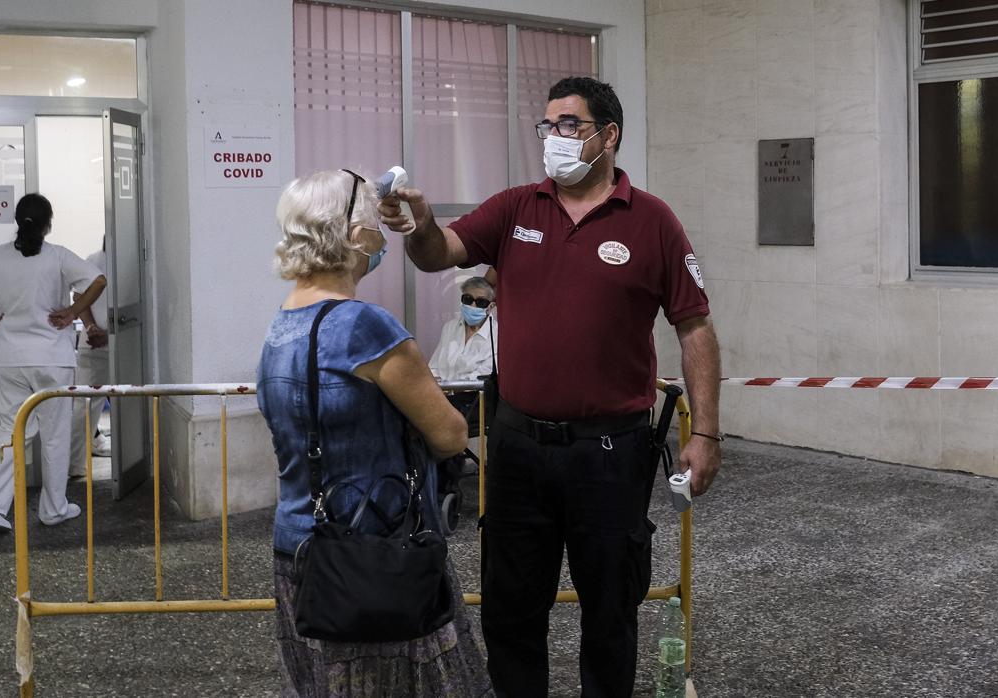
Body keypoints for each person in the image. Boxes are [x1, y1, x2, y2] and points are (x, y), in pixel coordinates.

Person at [379, 76, 723, 697]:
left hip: (611, 453)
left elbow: (695, 328)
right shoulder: (517, 207)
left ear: (608, 136)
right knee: (512, 612)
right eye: (548, 126)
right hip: (518, 451)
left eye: (570, 125)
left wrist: (705, 431)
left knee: (610, 612)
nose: (555, 137)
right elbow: (439, 254)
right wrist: (421, 225)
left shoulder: (652, 222)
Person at [257, 169, 493, 697]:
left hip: (300, 549)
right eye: (372, 214)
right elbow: (451, 434)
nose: (381, 231)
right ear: (351, 233)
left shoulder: (282, 324)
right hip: (377, 552)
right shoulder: (364, 326)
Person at [0, 193, 106, 533]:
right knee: (54, 435)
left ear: (18, 222)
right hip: (52, 359)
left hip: (8, 359)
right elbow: (98, 281)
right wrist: (74, 313)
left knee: (11, 428)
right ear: (49, 224)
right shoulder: (59, 256)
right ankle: (53, 509)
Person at [69, 241, 112, 476]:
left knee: (83, 405)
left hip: (91, 341)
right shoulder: (130, 260)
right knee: (131, 401)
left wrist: (91, 326)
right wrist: (102, 332)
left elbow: (77, 297)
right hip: (114, 342)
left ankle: (74, 465)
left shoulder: (91, 260)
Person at [428, 276, 498, 384]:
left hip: (474, 397)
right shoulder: (450, 327)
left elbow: (483, 376)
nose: (472, 306)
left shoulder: (497, 334)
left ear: (491, 306)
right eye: (468, 299)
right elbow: (434, 367)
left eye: (480, 302)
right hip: (441, 394)